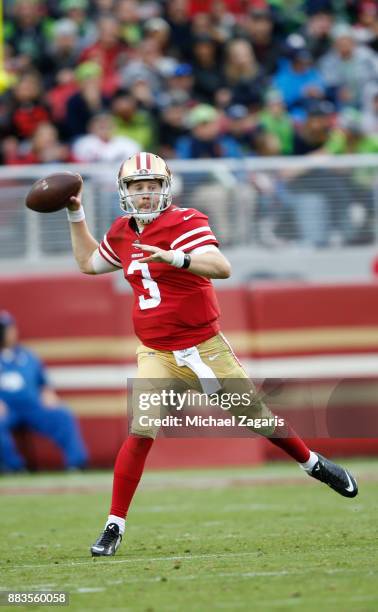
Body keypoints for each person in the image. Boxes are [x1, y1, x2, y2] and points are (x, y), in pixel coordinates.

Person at [65, 152, 358, 557]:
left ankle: (313, 464)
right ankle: (114, 525)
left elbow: (221, 267)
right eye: (138, 186)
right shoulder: (120, 231)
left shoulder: (184, 222)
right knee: (141, 429)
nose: (146, 194)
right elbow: (87, 263)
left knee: (257, 418)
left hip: (204, 348)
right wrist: (75, 214)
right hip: (156, 353)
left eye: (152, 186)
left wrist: (177, 258)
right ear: (124, 191)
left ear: (165, 188)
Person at [0, 312, 88, 472]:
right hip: (6, 409)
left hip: (33, 406)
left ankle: (76, 463)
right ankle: (14, 468)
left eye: (8, 328)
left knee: (62, 415)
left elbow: (43, 384)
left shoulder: (27, 355)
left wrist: (48, 395)